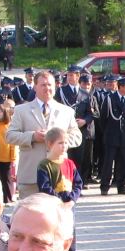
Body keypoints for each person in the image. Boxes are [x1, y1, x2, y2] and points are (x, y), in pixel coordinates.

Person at [6, 71, 82, 199]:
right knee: (31, 211)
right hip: (31, 175)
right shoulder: (21, 110)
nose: (47, 88)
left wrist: (58, 140)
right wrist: (32, 137)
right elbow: (10, 136)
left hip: (59, 175)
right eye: (43, 85)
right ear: (35, 87)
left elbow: (77, 137)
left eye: (50, 85)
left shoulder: (66, 111)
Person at [37, 127, 82, 251]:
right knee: (53, 238)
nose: (64, 146)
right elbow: (45, 187)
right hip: (54, 207)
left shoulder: (70, 163)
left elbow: (78, 183)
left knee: (70, 238)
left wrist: (72, 199)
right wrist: (60, 201)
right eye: (60, 143)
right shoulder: (45, 165)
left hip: (68, 208)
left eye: (66, 143)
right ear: (50, 144)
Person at [100, 76, 125, 195]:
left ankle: (121, 186)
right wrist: (107, 132)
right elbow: (103, 119)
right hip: (112, 136)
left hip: (124, 137)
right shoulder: (110, 99)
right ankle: (104, 187)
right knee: (108, 163)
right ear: (120, 87)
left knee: (124, 163)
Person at [0, 100, 18, 203]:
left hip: (6, 158)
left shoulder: (10, 126)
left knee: (7, 180)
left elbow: (13, 144)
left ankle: (8, 199)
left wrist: (13, 158)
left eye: (0, 111)